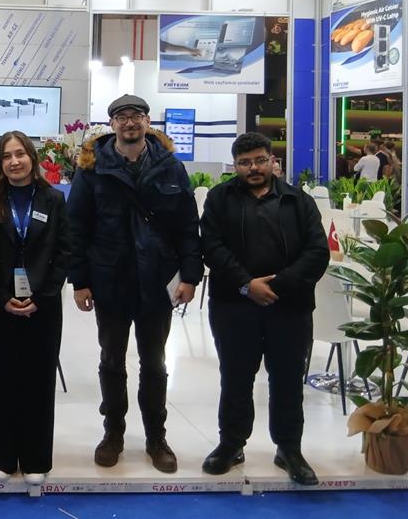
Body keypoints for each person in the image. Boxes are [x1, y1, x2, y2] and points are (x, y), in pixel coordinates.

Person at [66, 94, 202, 474]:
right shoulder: (92, 169)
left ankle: (157, 438)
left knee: (155, 363)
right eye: (122, 117)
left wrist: (191, 275)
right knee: (111, 361)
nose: (129, 122)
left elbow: (187, 226)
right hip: (110, 279)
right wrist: (80, 281)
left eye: (136, 116)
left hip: (157, 280)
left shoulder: (170, 167)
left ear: (147, 122)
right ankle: (113, 433)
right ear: (112, 125)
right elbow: (76, 228)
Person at [200, 132, 328, 486]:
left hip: (290, 307)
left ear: (273, 161)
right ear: (235, 166)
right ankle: (231, 445)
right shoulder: (219, 199)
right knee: (235, 377)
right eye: (245, 163)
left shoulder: (298, 201)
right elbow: (211, 246)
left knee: (287, 379)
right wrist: (247, 284)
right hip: (233, 306)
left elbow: (317, 252)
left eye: (259, 160)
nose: (253, 168)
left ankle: (289, 449)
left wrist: (278, 285)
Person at [0, 130, 69, 485]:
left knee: (39, 381)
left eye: (20, 154)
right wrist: (1, 296)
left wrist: (42, 296)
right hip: (0, 306)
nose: (14, 162)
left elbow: (64, 251)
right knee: (3, 379)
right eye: (6, 156)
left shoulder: (53, 199)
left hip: (44, 306)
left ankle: (36, 458)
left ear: (32, 157)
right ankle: (1, 455)